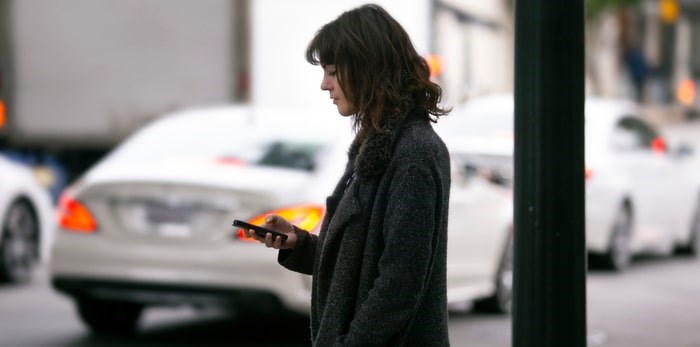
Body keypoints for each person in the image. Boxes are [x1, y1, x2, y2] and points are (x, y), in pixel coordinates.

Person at [243, 4, 451, 346]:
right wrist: (299, 243)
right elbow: (359, 262)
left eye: (333, 72)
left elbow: (400, 282)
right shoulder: (376, 144)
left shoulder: (414, 151)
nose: (325, 85)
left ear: (367, 69)